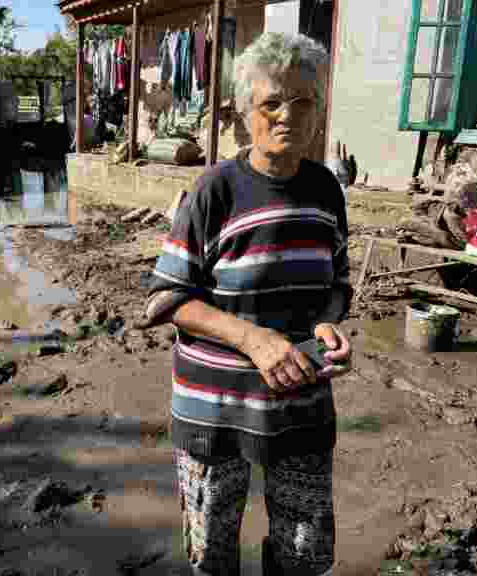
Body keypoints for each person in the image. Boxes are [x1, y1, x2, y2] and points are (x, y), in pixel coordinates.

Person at [141, 32, 352, 576]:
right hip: (216, 406)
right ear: (244, 111)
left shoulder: (326, 190)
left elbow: (339, 281)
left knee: (304, 554)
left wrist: (328, 324)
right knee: (212, 552)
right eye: (272, 103)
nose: (289, 115)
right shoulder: (216, 189)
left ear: (319, 109)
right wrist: (254, 340)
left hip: (301, 402)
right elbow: (167, 299)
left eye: (304, 101)